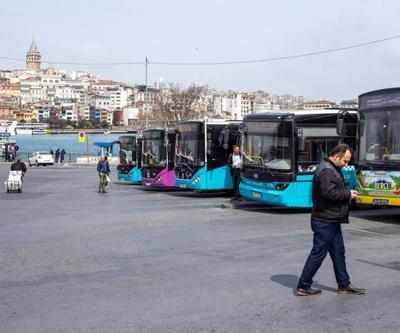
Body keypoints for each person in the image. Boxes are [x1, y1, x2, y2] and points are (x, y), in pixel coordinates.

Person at [295, 144, 366, 296]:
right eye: (345, 161)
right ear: (336, 156)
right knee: (318, 253)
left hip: (331, 219)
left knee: (338, 252)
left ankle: (344, 284)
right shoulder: (327, 170)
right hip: (324, 220)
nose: (347, 164)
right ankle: (303, 285)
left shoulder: (330, 167)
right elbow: (329, 194)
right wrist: (348, 194)